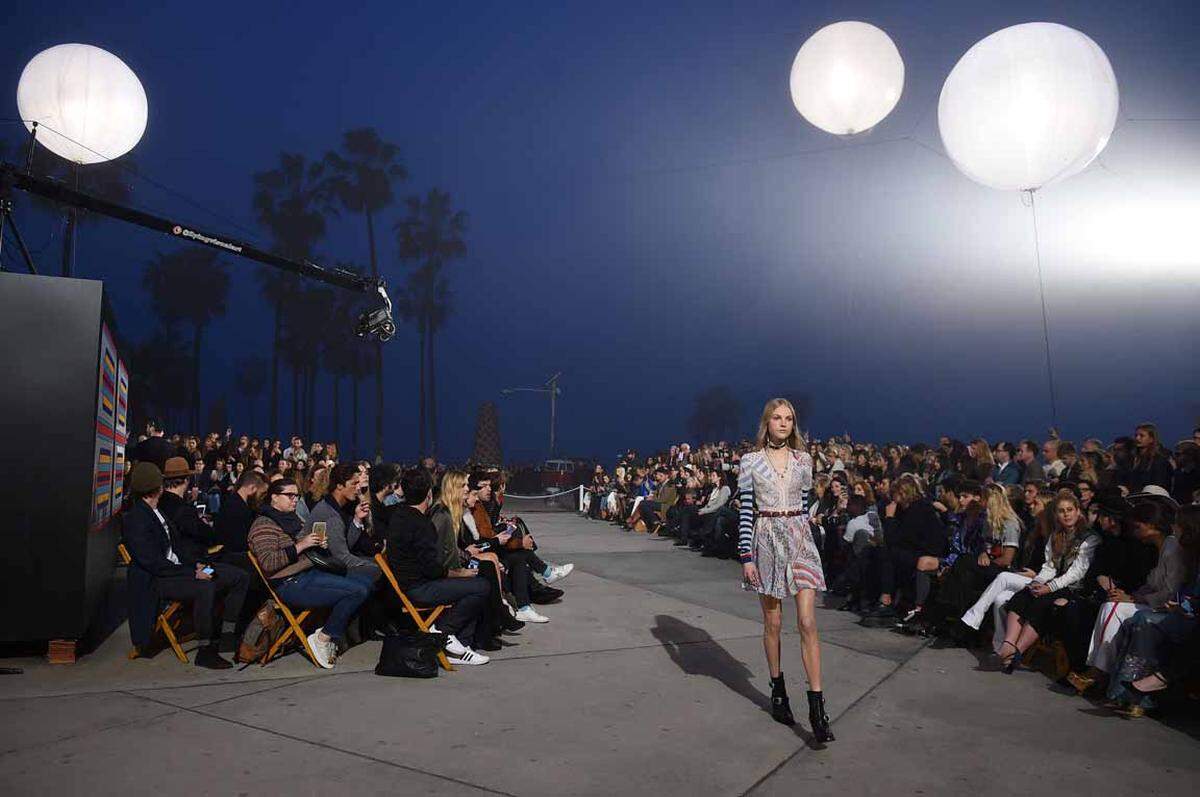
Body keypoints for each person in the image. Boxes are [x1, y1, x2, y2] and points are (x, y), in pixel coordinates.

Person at [738, 398, 834, 743]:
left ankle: (817, 705)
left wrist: (803, 527)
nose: (783, 423)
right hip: (766, 539)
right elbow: (746, 510)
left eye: (789, 418)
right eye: (777, 418)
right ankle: (777, 688)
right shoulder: (750, 462)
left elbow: (806, 502)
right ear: (767, 421)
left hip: (799, 538)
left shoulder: (803, 460)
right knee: (773, 622)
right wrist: (746, 555)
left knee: (807, 622)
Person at [123, 462, 248, 669]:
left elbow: (177, 549)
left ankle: (227, 636)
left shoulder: (157, 511)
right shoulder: (137, 518)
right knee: (205, 586)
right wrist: (193, 571)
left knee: (236, 576)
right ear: (159, 487)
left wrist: (198, 565)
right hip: (163, 579)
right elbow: (154, 564)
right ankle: (205, 651)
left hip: (185, 569)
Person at [247, 478, 370, 669]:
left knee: (365, 582)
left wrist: (317, 544)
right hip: (290, 583)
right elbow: (269, 562)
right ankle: (324, 637)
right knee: (357, 591)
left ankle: (337, 633)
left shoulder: (293, 519)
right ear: (274, 497)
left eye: (296, 495)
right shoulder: (264, 525)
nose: (294, 500)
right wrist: (302, 545)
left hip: (309, 573)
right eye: (289, 496)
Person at [385, 467, 492, 665]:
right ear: (428, 494)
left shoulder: (399, 516)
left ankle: (461, 647)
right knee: (481, 587)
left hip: (407, 585)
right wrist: (459, 573)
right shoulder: (422, 524)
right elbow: (433, 570)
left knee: (473, 583)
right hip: (420, 589)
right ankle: (443, 631)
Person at [992, 492, 1099, 673]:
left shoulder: (1089, 538)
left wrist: (1049, 587)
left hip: (1074, 588)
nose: (1066, 514)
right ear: (1056, 515)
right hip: (1053, 581)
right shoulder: (1055, 535)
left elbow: (1077, 572)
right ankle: (1009, 644)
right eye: (1061, 511)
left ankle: (1018, 651)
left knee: (1042, 604)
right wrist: (1038, 581)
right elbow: (1049, 565)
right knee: (1023, 595)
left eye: (1070, 510)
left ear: (1078, 511)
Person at [305, 463, 381, 585]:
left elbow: (343, 546)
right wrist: (378, 567)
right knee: (379, 572)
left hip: (331, 563)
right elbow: (342, 557)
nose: (358, 488)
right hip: (321, 571)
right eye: (354, 483)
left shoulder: (338, 506)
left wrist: (357, 519)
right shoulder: (330, 514)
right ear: (339, 485)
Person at [213, 470, 268, 554]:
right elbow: (238, 544)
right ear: (252, 488)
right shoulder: (234, 508)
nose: (262, 498)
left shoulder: (240, 505)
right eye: (262, 493)